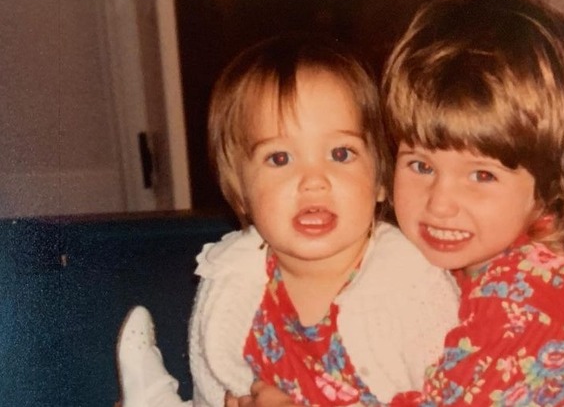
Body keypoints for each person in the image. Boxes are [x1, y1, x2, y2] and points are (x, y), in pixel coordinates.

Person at [115, 33, 459, 407]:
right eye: (279, 159)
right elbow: (214, 385)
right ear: (241, 190)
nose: (313, 181)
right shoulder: (233, 276)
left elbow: (460, 396)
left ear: (380, 179)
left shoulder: (413, 285)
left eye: (341, 153)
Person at [378, 0, 564, 405]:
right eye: (421, 166)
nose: (439, 203)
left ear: (554, 180)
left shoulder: (526, 301)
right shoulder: (510, 246)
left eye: (482, 174)